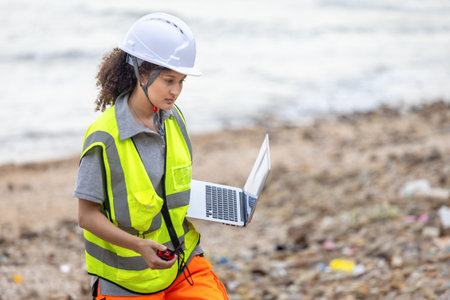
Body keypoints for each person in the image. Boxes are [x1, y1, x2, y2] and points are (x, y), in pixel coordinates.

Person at [73, 12, 229, 299]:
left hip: (182, 266)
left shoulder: (173, 119)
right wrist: (138, 246)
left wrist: (225, 206)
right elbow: (86, 216)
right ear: (141, 72)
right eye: (169, 80)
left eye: (182, 81)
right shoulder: (104, 137)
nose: (176, 91)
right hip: (128, 284)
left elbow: (168, 189)